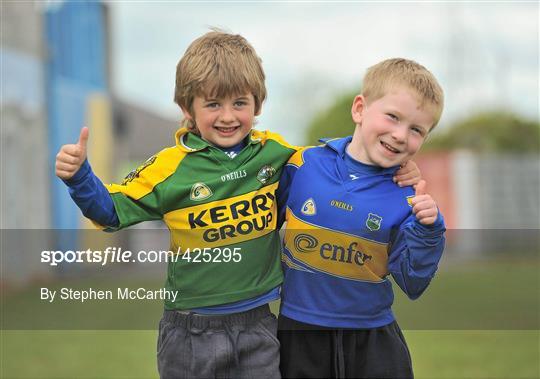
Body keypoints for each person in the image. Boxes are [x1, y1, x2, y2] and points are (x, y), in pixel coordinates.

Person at [55, 30, 420, 378]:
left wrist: (392, 164)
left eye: (239, 103)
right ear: (187, 106)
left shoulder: (276, 154)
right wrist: (80, 178)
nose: (228, 116)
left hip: (257, 325)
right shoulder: (169, 167)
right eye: (213, 104)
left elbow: (332, 166)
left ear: (257, 103)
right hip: (188, 331)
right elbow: (111, 211)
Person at [277, 58, 446, 379]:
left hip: (372, 342)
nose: (400, 135)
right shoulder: (303, 164)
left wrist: (429, 230)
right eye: (393, 117)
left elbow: (413, 282)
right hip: (300, 334)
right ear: (360, 109)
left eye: (416, 130)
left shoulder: (408, 196)